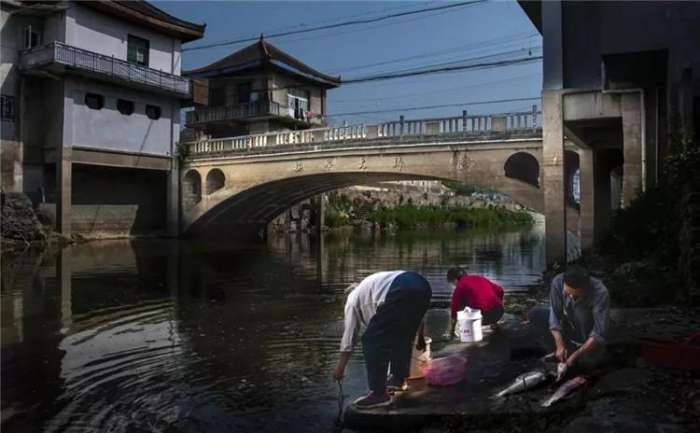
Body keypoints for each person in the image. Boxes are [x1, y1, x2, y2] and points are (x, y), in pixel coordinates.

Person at [334, 270, 432, 409]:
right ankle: (398, 379)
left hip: (401, 287)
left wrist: (340, 367)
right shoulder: (371, 290)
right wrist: (420, 335)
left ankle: (379, 393)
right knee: (401, 335)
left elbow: (350, 335)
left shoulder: (352, 300)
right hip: (422, 284)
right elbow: (414, 314)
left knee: (371, 339)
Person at [528, 265, 610, 372]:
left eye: (575, 295)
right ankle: (558, 351)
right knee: (536, 313)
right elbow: (555, 316)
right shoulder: (558, 281)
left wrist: (576, 354)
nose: (571, 297)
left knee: (585, 365)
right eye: (568, 293)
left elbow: (599, 332)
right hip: (570, 324)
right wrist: (559, 344)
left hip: (588, 333)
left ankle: (580, 350)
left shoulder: (600, 292)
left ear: (585, 288)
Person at [446, 267, 504, 338]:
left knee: (462, 307)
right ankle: (495, 323)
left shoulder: (460, 287)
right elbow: (500, 291)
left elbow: (454, 311)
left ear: (455, 279)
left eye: (452, 282)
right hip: (499, 312)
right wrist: (499, 303)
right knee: (480, 300)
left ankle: (471, 332)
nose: (453, 285)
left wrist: (452, 331)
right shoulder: (479, 278)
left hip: (482, 318)